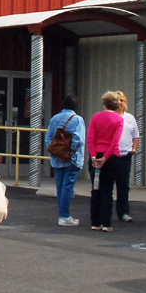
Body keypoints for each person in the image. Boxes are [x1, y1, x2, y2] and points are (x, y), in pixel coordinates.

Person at [86, 92, 125, 232]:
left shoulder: (96, 117)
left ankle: (95, 222)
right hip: (111, 156)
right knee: (107, 190)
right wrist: (105, 157)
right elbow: (115, 141)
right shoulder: (119, 119)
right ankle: (106, 223)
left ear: (104, 103)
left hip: (96, 154)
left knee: (95, 189)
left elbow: (90, 138)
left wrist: (93, 156)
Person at [45, 95, 85, 227]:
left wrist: (57, 152)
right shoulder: (77, 119)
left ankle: (62, 214)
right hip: (72, 159)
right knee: (68, 187)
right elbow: (79, 140)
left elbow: (48, 138)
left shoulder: (54, 118)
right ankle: (64, 216)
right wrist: (69, 152)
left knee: (60, 187)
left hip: (56, 159)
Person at [112, 90, 140, 222]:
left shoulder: (130, 118)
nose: (120, 103)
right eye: (117, 100)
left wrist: (134, 148)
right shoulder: (110, 117)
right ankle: (105, 212)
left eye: (122, 100)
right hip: (111, 155)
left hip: (125, 155)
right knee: (108, 185)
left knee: (123, 185)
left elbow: (136, 135)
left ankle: (123, 211)